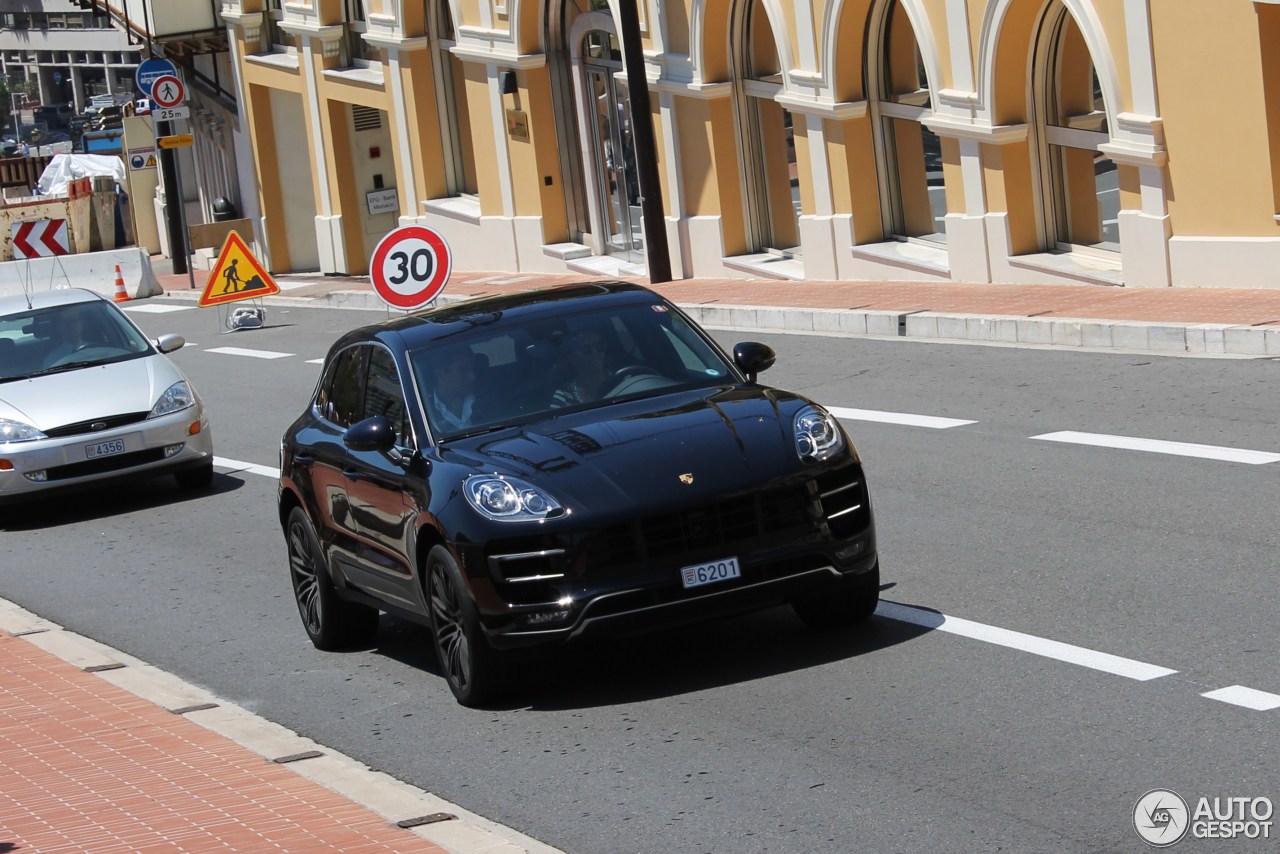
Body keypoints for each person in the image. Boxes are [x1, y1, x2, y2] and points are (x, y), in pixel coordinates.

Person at [551, 330, 610, 408]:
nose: (595, 353)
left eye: (599, 347)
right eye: (586, 349)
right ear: (572, 358)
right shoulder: (563, 396)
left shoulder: (622, 380)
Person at [426, 346, 478, 431]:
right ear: (440, 374)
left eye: (472, 370)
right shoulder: (423, 412)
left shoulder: (490, 401)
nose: (472, 377)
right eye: (462, 370)